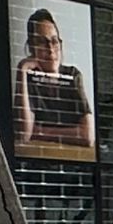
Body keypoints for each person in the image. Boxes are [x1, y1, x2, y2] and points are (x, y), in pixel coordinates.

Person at [14, 10, 93, 155]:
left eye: (55, 41)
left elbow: (87, 136)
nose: (51, 49)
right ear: (31, 47)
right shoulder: (30, 80)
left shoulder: (72, 75)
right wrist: (22, 69)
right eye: (42, 42)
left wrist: (39, 131)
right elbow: (23, 134)